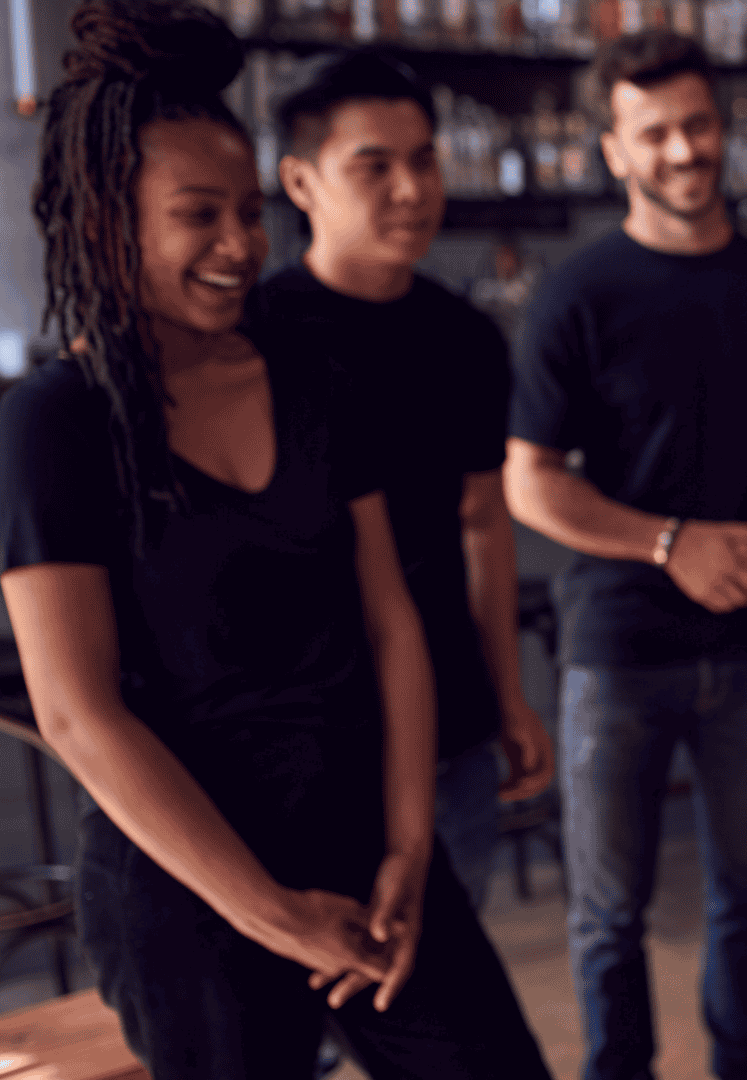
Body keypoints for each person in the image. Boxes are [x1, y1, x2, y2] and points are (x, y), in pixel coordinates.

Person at [0, 4, 550, 1076]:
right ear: (107, 220)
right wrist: (274, 914)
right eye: (198, 216)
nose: (240, 246)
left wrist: (407, 847)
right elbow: (77, 713)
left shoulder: (310, 378)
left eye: (250, 213)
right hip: (187, 889)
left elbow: (391, 625)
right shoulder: (54, 423)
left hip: (367, 844)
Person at [503, 29, 747, 1080]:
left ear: (722, 128)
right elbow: (531, 479)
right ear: (614, 151)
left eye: (697, 124)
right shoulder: (576, 293)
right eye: (654, 133)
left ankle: (742, 1064)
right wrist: (669, 544)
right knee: (609, 910)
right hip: (617, 646)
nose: (684, 149)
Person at [249, 51, 554, 915]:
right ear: (301, 182)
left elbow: (483, 523)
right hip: (303, 733)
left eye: (423, 160)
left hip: (450, 722)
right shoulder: (255, 337)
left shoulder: (465, 338)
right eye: (373, 167)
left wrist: (508, 697)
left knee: (446, 966)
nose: (412, 190)